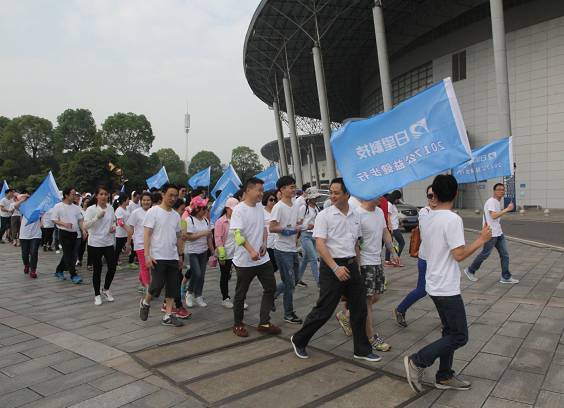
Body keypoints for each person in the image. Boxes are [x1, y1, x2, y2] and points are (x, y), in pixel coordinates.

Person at [404, 174, 492, 393]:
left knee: (449, 331)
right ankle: (418, 360)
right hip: (446, 287)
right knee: (460, 336)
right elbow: (459, 255)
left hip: (434, 282)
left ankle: (444, 375)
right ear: (455, 193)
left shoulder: (427, 217)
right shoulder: (452, 219)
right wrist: (481, 240)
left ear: (434, 194)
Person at [290, 178, 380, 362]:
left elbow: (356, 244)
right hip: (332, 267)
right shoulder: (325, 215)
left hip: (351, 265)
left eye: (336, 193)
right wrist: (335, 267)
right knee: (324, 309)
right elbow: (320, 244)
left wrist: (357, 266)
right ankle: (299, 339)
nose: (332, 196)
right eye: (331, 192)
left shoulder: (355, 216)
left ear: (347, 194)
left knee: (360, 308)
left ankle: (361, 350)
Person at [230, 177, 281, 337]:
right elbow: (238, 235)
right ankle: (238, 324)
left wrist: (264, 243)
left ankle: (264, 322)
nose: (261, 193)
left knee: (270, 288)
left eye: (262, 190)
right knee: (241, 294)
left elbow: (264, 228)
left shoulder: (260, 207)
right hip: (244, 261)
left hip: (263, 259)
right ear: (248, 190)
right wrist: (251, 251)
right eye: (259, 190)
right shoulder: (239, 210)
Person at [139, 184, 185, 327]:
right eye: (170, 195)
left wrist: (180, 255)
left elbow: (178, 236)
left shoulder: (176, 215)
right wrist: (147, 255)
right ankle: (145, 302)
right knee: (157, 285)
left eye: (175, 196)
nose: (173, 198)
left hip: (172, 256)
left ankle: (168, 315)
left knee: (173, 286)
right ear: (163, 194)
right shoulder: (153, 211)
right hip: (157, 255)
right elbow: (147, 234)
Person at [394, 186, 437, 327]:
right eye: (430, 195)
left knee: (439, 291)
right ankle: (400, 309)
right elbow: (427, 234)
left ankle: (447, 320)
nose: (433, 198)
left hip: (439, 259)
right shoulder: (424, 212)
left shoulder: (443, 212)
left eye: (436, 195)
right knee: (422, 290)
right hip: (426, 259)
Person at [464, 183, 518, 284]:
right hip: (491, 234)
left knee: (505, 254)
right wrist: (507, 209)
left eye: (503, 190)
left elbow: (494, 218)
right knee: (485, 254)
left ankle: (505, 277)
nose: (501, 191)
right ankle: (470, 270)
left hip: (498, 233)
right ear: (494, 191)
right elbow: (493, 216)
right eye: (499, 189)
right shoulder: (492, 201)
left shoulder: (496, 202)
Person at [270, 176, 303, 325]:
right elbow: (272, 227)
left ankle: (272, 294)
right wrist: (286, 230)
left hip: (292, 249)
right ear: (282, 190)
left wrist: (301, 227)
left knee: (294, 280)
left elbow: (295, 224)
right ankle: (288, 314)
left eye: (294, 186)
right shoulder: (278, 207)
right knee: (289, 283)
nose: (293, 189)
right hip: (282, 250)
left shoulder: (295, 205)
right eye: (291, 187)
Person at [84, 186, 117, 306]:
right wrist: (96, 218)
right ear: (97, 196)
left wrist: (113, 227)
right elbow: (85, 226)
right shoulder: (91, 209)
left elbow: (114, 221)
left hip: (108, 242)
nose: (103, 196)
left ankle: (106, 289)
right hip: (95, 243)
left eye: (105, 194)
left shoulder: (111, 208)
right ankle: (97, 294)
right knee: (97, 270)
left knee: (112, 267)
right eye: (101, 194)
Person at [214, 197, 246, 309]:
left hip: (238, 253)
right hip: (226, 253)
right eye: (232, 209)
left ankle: (240, 299)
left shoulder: (239, 220)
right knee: (225, 276)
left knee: (242, 276)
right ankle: (225, 298)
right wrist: (221, 254)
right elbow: (218, 238)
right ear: (227, 208)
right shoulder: (220, 221)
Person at [184, 196, 214, 308]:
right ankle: (189, 292)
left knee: (202, 276)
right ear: (197, 209)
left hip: (203, 251)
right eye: (203, 209)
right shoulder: (189, 220)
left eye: (206, 209)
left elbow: (209, 238)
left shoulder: (206, 221)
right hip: (192, 252)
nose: (205, 211)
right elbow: (189, 237)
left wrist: (212, 251)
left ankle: (198, 295)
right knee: (196, 273)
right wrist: (203, 233)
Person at [52, 187, 85, 283]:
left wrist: (83, 230)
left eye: (75, 194)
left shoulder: (76, 207)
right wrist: (64, 224)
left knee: (71, 254)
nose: (75, 196)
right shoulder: (58, 206)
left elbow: (80, 220)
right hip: (64, 233)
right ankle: (73, 275)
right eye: (73, 194)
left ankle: (59, 270)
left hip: (75, 234)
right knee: (68, 255)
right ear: (66, 195)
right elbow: (54, 219)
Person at [127, 192, 152, 292]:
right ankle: (148, 289)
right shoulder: (135, 213)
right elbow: (131, 228)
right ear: (141, 201)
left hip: (152, 244)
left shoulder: (154, 212)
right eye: (144, 200)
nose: (146, 202)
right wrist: (128, 243)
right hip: (140, 243)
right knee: (145, 266)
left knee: (146, 266)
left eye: (148, 200)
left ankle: (142, 280)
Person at [296, 187, 321, 285]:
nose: (315, 199)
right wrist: (306, 226)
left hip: (314, 235)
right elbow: (298, 224)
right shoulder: (303, 208)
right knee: (314, 258)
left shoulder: (316, 208)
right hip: (305, 235)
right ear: (309, 198)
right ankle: (319, 281)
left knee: (306, 259)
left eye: (316, 197)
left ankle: (297, 278)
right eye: (314, 197)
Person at [14, 194, 40, 278]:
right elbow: (15, 206)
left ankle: (33, 270)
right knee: (25, 254)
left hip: (36, 234)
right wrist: (22, 200)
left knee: (34, 252)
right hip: (24, 234)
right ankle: (26, 265)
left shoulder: (39, 208)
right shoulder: (24, 208)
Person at [385, 190, 405, 267]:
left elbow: (394, 215)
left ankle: (387, 260)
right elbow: (388, 216)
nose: (398, 200)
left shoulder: (392, 204)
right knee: (402, 242)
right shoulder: (389, 204)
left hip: (395, 226)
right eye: (398, 198)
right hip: (393, 228)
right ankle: (396, 259)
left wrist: (399, 221)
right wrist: (390, 227)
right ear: (395, 197)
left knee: (389, 243)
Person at [262, 190, 278, 273]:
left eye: (275, 200)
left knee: (276, 265)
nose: (273, 202)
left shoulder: (277, 211)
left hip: (277, 241)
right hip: (267, 243)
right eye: (271, 200)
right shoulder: (261, 212)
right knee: (272, 265)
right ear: (266, 200)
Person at [114, 192, 130, 271]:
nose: (129, 201)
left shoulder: (127, 209)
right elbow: (120, 222)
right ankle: (115, 264)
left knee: (130, 247)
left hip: (127, 233)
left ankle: (131, 262)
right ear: (124, 201)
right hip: (120, 234)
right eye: (128, 199)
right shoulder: (119, 210)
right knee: (118, 249)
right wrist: (128, 229)